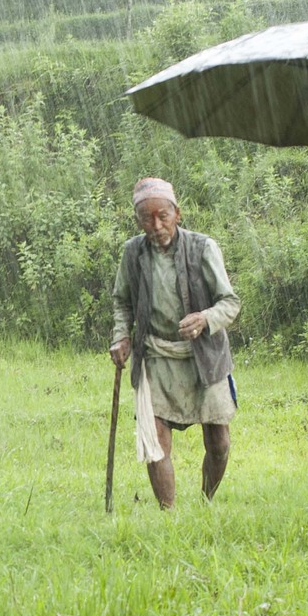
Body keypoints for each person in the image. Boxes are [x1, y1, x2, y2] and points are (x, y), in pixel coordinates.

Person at [110, 177, 241, 509]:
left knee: (219, 443)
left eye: (163, 216)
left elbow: (230, 302)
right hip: (155, 356)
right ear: (138, 220)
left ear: (177, 213)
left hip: (205, 357)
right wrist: (121, 336)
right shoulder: (132, 252)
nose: (156, 225)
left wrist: (205, 318)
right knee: (155, 443)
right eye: (147, 218)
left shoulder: (203, 247)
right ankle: (169, 516)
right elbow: (122, 302)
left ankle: (205, 501)